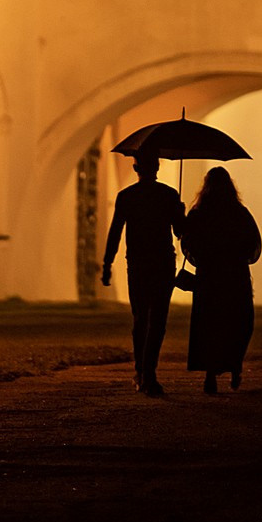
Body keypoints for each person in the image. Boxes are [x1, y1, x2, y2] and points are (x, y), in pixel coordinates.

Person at [101, 153, 185, 396]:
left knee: (140, 319)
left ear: (136, 167)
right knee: (158, 320)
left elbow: (115, 232)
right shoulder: (168, 195)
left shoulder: (127, 196)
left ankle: (140, 371)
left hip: (137, 264)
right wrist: (180, 211)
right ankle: (150, 372)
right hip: (163, 263)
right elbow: (180, 232)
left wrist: (107, 264)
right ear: (157, 167)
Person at [181, 166, 261, 395]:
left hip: (209, 276)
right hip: (235, 276)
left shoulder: (199, 213)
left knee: (210, 323)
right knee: (238, 322)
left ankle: (210, 374)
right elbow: (251, 244)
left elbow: (188, 240)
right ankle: (235, 365)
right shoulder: (238, 212)